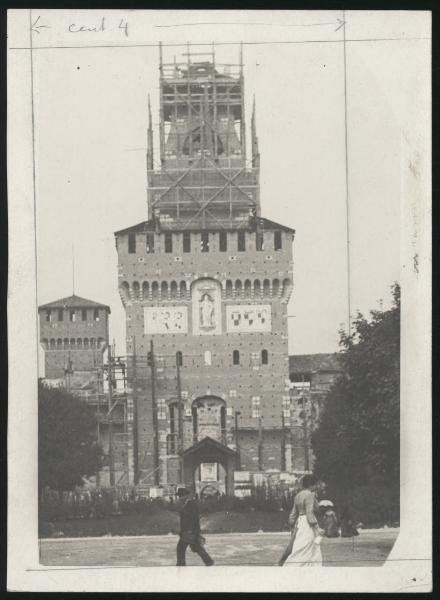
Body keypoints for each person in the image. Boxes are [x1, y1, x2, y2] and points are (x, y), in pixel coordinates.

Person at [281, 474, 324, 567]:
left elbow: (293, 514)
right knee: (310, 547)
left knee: (299, 546)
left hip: (299, 522)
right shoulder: (310, 495)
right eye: (316, 484)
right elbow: (310, 513)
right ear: (312, 484)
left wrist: (293, 526)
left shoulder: (298, 495)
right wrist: (317, 528)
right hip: (308, 524)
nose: (317, 486)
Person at [176, 487, 214, 567]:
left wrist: (194, 531)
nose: (180, 498)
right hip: (187, 532)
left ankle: (181, 565)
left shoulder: (191, 504)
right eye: (179, 496)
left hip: (190, 532)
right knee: (196, 548)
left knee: (181, 548)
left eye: (181, 496)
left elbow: (194, 519)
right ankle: (209, 562)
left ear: (186, 496)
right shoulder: (186, 505)